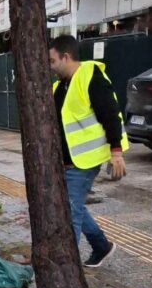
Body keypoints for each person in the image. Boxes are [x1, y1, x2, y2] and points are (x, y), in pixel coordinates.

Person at [49, 34, 128, 268]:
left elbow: (110, 113)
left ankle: (67, 270)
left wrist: (116, 153)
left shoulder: (90, 75)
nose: (51, 67)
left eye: (53, 61)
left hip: (85, 160)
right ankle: (101, 246)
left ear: (66, 57)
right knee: (72, 206)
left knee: (70, 212)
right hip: (68, 160)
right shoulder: (59, 86)